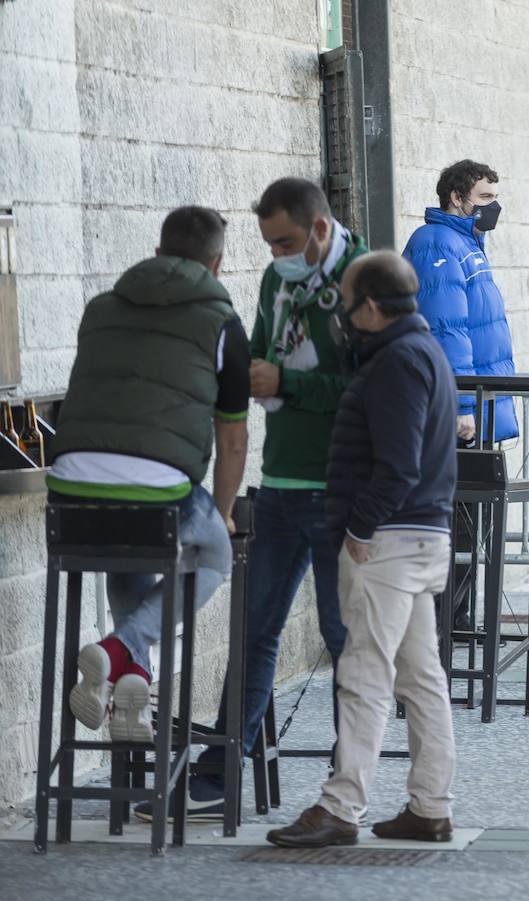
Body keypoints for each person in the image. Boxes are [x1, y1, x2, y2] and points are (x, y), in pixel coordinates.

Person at [143, 179, 368, 822]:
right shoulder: (277, 280)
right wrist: (255, 377)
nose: (277, 254)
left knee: (340, 634)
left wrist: (288, 383)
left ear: (321, 228)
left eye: (287, 242)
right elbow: (268, 357)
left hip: (338, 487)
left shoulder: (364, 275)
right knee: (254, 632)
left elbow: (368, 386)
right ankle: (220, 773)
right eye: (269, 244)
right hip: (281, 482)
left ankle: (346, 778)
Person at [268, 251, 459, 848]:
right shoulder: (423, 351)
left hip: (391, 542)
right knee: (420, 676)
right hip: (423, 536)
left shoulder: (397, 362)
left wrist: (357, 530)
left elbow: (397, 465)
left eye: (348, 305)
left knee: (364, 673)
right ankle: (429, 806)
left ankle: (340, 805)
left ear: (371, 307)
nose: (343, 317)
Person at [51, 207, 248, 742]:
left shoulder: (100, 309)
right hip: (156, 490)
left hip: (68, 492)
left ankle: (132, 690)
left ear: (158, 252)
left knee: (128, 546)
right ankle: (118, 650)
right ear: (217, 264)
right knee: (214, 553)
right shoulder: (223, 323)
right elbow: (232, 440)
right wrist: (224, 515)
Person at [402, 159, 518, 633]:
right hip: (459, 413)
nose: (494, 207)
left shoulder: (467, 244)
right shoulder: (436, 244)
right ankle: (440, 626)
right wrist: (465, 407)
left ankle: (458, 617)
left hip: (481, 406)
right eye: (485, 198)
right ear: (456, 197)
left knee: (472, 524)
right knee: (456, 524)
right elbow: (447, 331)